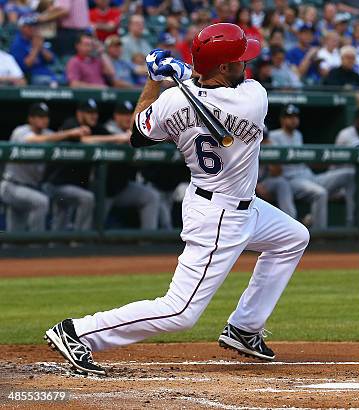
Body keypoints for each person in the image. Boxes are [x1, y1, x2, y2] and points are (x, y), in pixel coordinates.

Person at [44, 23, 309, 375]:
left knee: (293, 237)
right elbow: (208, 87)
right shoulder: (253, 97)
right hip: (218, 216)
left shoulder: (173, 101)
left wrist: (155, 80)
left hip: (242, 205)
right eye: (239, 60)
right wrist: (182, 74)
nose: (246, 65)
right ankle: (78, 332)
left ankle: (244, 328)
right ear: (226, 67)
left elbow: (138, 133)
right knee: (180, 311)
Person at [0, 103, 89, 232]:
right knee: (41, 202)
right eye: (38, 116)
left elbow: (61, 139)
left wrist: (75, 134)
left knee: (15, 233)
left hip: (31, 187)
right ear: (30, 119)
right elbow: (34, 140)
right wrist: (68, 133)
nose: (43, 119)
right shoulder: (21, 131)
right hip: (12, 186)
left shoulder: (49, 133)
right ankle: (37, 245)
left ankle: (22, 247)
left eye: (45, 116)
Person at [44, 99, 127, 231]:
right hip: (56, 184)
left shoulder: (96, 128)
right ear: (79, 114)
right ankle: (79, 238)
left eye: (95, 112)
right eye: (89, 112)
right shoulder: (71, 124)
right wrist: (117, 138)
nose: (93, 115)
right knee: (86, 199)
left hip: (74, 185)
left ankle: (62, 244)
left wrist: (124, 136)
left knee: (61, 221)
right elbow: (85, 140)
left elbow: (117, 138)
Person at [268, 104, 355, 229]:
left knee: (348, 174)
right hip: (292, 180)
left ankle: (352, 224)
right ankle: (319, 235)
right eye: (289, 116)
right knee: (320, 193)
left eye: (295, 116)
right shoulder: (274, 136)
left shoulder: (298, 135)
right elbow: (274, 166)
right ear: (282, 119)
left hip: (309, 176)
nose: (293, 119)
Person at [103, 101, 161, 230]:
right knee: (95, 225)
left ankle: (148, 241)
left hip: (122, 187)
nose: (127, 117)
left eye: (129, 114)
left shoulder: (134, 131)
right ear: (115, 116)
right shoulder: (105, 129)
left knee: (151, 196)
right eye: (123, 114)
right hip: (102, 189)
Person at [10, 15, 56, 86]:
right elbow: (24, 66)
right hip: (31, 75)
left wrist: (41, 48)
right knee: (47, 81)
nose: (33, 29)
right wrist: (35, 48)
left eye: (35, 26)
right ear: (22, 28)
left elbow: (52, 60)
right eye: (30, 26)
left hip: (48, 73)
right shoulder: (17, 44)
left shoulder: (39, 39)